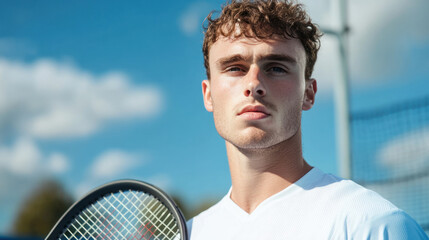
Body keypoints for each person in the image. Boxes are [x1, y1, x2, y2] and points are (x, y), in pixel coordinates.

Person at [187, 0, 428, 239]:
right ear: (208, 95)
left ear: (308, 93)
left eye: (276, 68)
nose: (254, 84)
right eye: (235, 68)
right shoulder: (189, 233)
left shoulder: (371, 224)